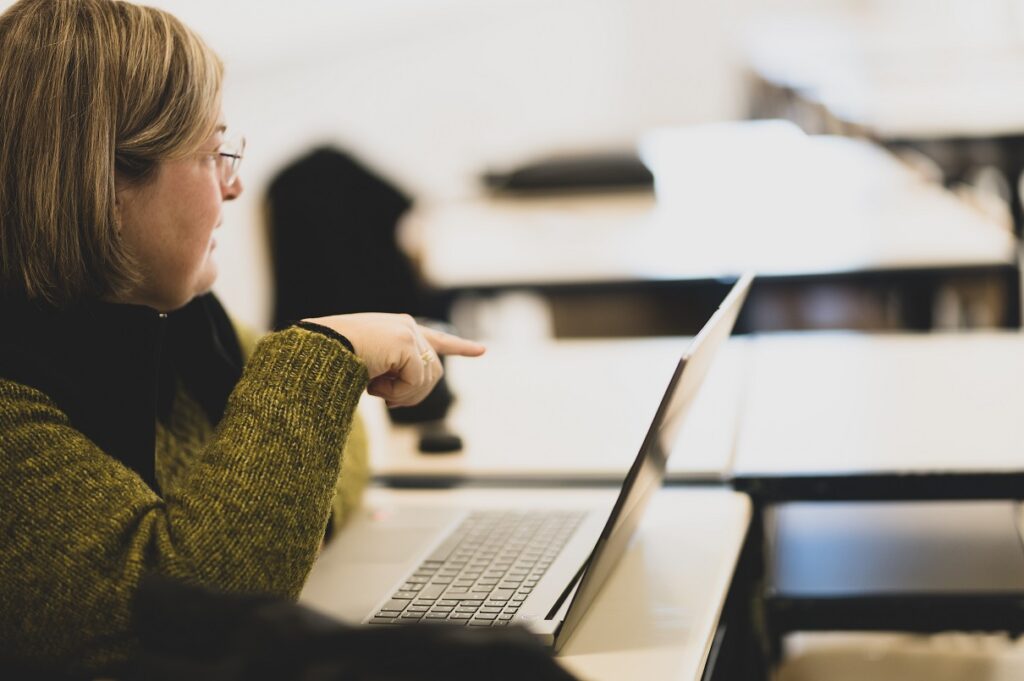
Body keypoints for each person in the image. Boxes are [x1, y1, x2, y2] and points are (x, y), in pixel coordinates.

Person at [0, 0, 491, 677]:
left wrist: (264, 523)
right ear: (109, 186)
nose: (234, 185)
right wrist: (324, 356)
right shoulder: (11, 403)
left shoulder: (172, 320)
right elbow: (186, 607)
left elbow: (338, 443)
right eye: (211, 153)